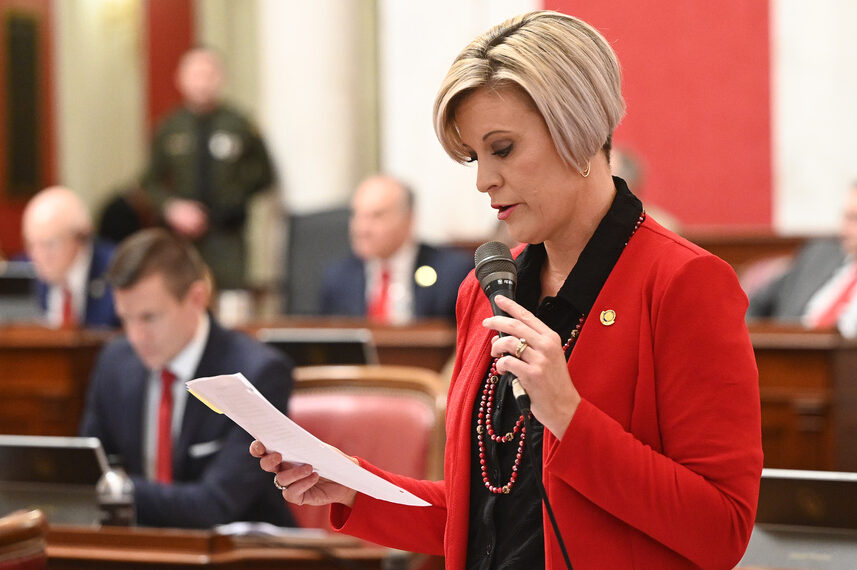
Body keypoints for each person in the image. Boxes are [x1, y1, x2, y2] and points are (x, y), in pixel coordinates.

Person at [252, 10, 762, 568]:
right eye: (474, 156)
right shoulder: (488, 288)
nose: (482, 180)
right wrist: (352, 484)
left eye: (502, 149)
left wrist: (569, 415)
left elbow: (722, 530)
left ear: (580, 130)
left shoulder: (683, 282)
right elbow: (484, 519)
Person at [80, 228, 295, 528]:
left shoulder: (258, 372)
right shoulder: (114, 362)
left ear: (196, 298)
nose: (135, 336)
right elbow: (85, 472)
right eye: (125, 319)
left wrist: (117, 490)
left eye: (149, 318)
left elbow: (216, 504)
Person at [142, 47, 274, 290]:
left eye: (208, 74)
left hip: (228, 235)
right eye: (195, 74)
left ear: (221, 77)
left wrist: (234, 198)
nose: (202, 82)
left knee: (232, 301)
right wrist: (172, 207)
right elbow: (149, 182)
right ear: (181, 79)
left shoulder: (240, 124)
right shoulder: (170, 127)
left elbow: (264, 174)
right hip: (184, 238)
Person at [318, 175, 472, 323]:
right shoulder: (338, 277)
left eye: (376, 216)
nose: (361, 228)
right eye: (357, 215)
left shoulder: (453, 273)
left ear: (408, 219)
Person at [747, 182, 857, 336]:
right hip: (786, 352)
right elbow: (756, 302)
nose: (845, 229)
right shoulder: (818, 254)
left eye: (854, 219)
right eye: (845, 217)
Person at [21, 186, 119, 328]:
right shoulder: (22, 271)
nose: (38, 256)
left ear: (80, 238)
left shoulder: (115, 270)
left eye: (49, 244)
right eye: (31, 244)